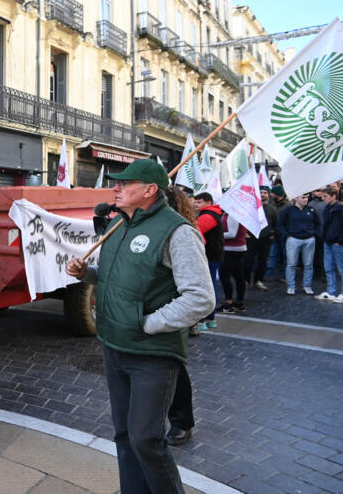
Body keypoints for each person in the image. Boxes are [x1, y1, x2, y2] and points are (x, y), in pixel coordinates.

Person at [66, 159, 214, 494]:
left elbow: (201, 298)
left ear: (149, 190)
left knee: (146, 438)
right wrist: (85, 273)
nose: (115, 188)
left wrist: (147, 324)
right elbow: (113, 276)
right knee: (123, 434)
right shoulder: (118, 224)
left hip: (152, 352)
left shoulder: (177, 232)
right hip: (114, 345)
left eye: (124, 183)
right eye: (116, 183)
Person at [316, 186, 343, 303]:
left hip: (339, 243)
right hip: (329, 241)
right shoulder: (328, 208)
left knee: (342, 268)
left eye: (325, 196)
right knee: (328, 268)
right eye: (322, 196)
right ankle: (331, 291)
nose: (323, 199)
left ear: (333, 196)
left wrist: (341, 241)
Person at [193, 192, 223, 331]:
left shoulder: (208, 216)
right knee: (211, 287)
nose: (195, 204)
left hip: (209, 256)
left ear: (208, 202)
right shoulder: (213, 213)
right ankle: (211, 319)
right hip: (213, 255)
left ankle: (203, 319)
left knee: (206, 288)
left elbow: (194, 231)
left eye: (199, 202)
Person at [278, 193, 319, 295]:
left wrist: (314, 234)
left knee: (308, 264)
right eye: (303, 197)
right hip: (293, 239)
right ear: (296, 198)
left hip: (308, 239)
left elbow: (318, 224)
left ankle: (307, 285)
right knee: (291, 264)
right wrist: (287, 236)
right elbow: (280, 225)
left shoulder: (311, 210)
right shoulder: (287, 211)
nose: (306, 199)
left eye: (306, 197)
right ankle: (291, 286)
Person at [219, 212, 249, 314]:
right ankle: (239, 303)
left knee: (225, 275)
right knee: (238, 275)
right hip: (237, 248)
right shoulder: (231, 214)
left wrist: (217, 235)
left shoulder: (232, 215)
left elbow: (232, 233)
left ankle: (229, 303)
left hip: (232, 249)